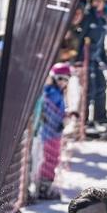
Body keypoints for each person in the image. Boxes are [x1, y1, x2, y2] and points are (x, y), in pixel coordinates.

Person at [35, 63, 71, 201]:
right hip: (48, 134)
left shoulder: (57, 93)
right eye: (60, 78)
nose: (63, 82)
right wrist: (61, 122)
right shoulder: (51, 93)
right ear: (54, 78)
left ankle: (46, 185)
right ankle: (43, 187)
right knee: (49, 159)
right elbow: (49, 113)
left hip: (54, 133)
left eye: (66, 79)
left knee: (53, 158)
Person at [80, 0, 107, 129]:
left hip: (95, 59)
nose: (98, 3)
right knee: (89, 89)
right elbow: (79, 37)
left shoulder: (101, 18)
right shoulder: (87, 16)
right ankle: (84, 120)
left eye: (101, 0)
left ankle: (100, 116)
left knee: (101, 86)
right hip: (85, 59)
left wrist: (104, 58)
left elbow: (101, 41)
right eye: (95, 0)